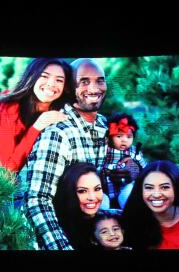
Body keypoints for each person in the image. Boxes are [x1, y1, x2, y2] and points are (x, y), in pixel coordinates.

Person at [17, 59, 111, 249]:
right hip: (59, 232)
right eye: (84, 81)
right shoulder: (58, 133)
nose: (94, 88)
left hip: (87, 228)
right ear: (69, 88)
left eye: (100, 80)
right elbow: (37, 201)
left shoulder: (101, 123)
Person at [0, 58, 74, 173]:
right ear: (32, 77)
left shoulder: (57, 111)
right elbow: (6, 170)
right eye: (44, 76)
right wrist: (36, 127)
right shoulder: (6, 109)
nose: (51, 84)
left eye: (59, 80)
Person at [122, 160, 179, 249]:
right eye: (149, 188)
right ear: (140, 191)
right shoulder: (133, 224)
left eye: (164, 187)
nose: (156, 194)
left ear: (177, 188)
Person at [51, 163, 105, 251]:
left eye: (97, 189)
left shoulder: (109, 219)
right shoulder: (59, 231)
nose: (92, 197)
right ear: (69, 192)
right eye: (82, 191)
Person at [99, 113, 148, 209]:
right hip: (105, 189)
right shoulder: (104, 150)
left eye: (129, 137)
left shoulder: (134, 151)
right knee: (102, 205)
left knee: (129, 197)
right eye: (119, 136)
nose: (124, 140)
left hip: (124, 187)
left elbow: (145, 168)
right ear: (110, 137)